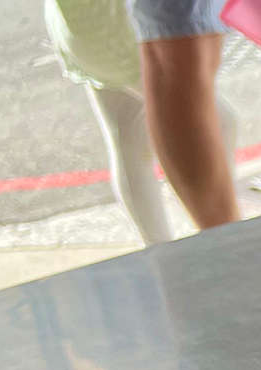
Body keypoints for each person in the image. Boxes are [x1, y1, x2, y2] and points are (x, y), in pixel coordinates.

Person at [44, 0, 240, 242]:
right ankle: (225, 239)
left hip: (79, 23)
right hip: (120, 27)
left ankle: (159, 251)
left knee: (127, 139)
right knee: (218, 122)